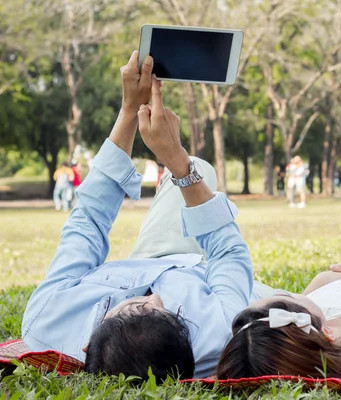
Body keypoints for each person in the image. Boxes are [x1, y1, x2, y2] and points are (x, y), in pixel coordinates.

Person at [21, 51, 253, 382]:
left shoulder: (48, 320)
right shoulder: (217, 336)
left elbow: (88, 222)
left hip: (152, 256)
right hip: (204, 275)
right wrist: (176, 159)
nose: (148, 296)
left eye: (130, 305)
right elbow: (229, 252)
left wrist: (129, 111)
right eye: (164, 309)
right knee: (199, 169)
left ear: (86, 346)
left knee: (199, 169)